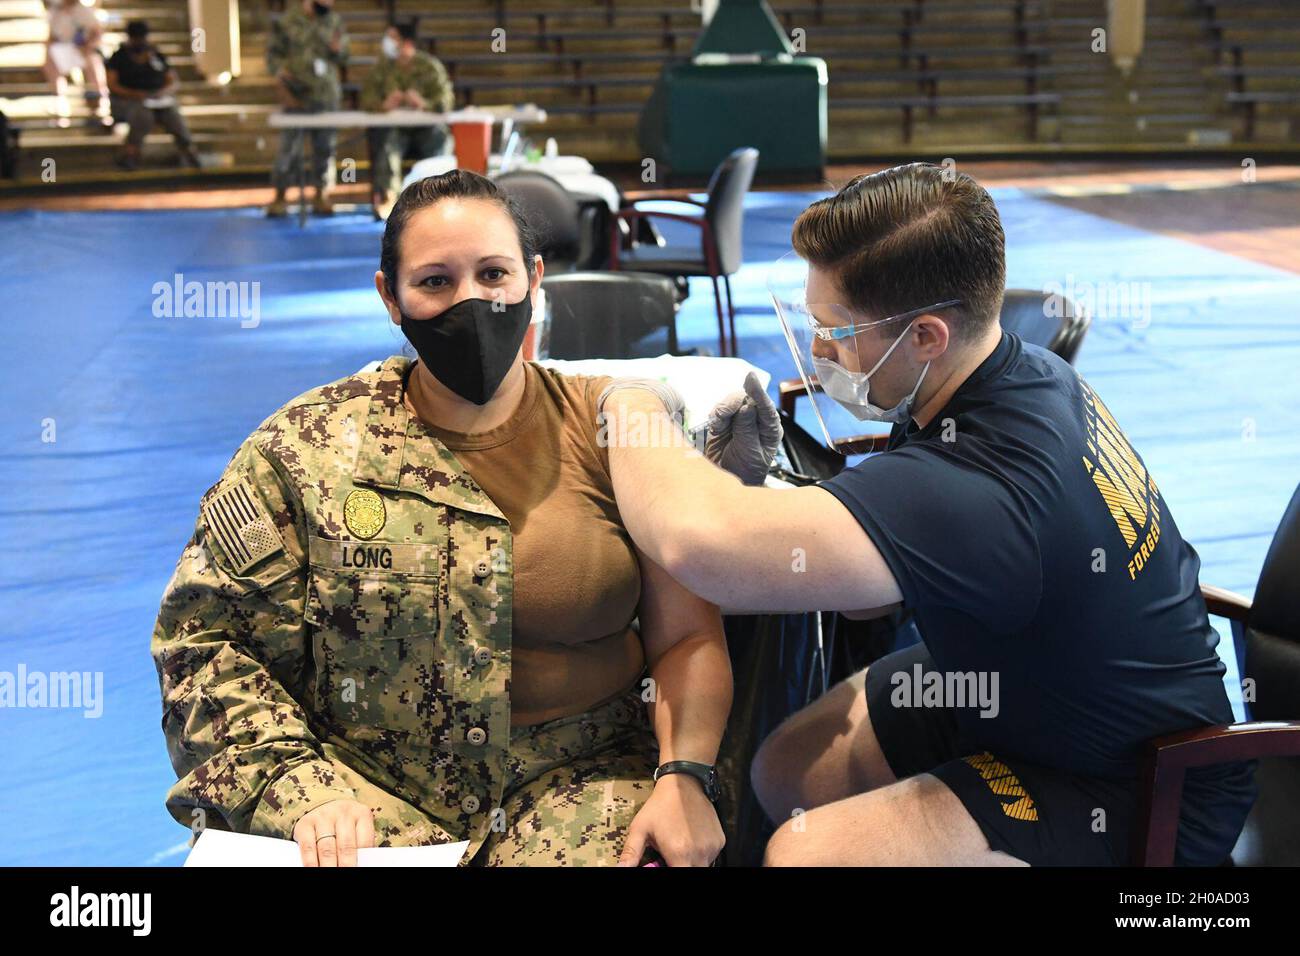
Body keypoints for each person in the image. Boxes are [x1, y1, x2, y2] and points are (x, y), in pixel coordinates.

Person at [598, 161, 1257, 866]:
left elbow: (699, 545)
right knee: (785, 769)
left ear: (926, 338)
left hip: (1132, 786)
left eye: (837, 331)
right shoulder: (1017, 370)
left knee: (804, 854)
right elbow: (866, 598)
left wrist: (627, 403)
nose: (820, 350)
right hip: (1024, 693)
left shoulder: (980, 485)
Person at [151, 170, 732, 867]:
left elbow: (687, 639)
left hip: (581, 788)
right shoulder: (302, 451)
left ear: (533, 279)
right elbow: (207, 644)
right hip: (365, 796)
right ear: (389, 298)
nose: (472, 302)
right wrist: (297, 789)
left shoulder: (613, 435)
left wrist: (685, 778)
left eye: (494, 274)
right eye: (434, 282)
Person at [361, 19, 453, 221]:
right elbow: (366, 99)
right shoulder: (382, 69)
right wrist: (382, 105)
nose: (387, 42)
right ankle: (388, 198)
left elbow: (446, 101)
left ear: (407, 43)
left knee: (441, 139)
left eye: (393, 38)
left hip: (425, 129)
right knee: (386, 143)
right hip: (396, 130)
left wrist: (424, 103)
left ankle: (438, 195)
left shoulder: (429, 67)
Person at [265, 0, 349, 218]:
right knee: (288, 148)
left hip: (326, 94)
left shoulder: (334, 20)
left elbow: (345, 55)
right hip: (296, 94)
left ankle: (321, 195)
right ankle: (280, 196)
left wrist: (339, 50)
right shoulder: (288, 20)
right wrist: (280, 73)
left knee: (325, 147)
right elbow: (273, 54)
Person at [105, 21, 198, 171]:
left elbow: (172, 81)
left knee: (173, 115)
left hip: (158, 98)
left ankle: (188, 151)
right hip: (128, 100)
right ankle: (131, 154)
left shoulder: (156, 55)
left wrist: (161, 93)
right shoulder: (118, 58)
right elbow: (112, 84)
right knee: (142, 115)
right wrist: (135, 94)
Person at [43, 0, 110, 126]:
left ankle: (101, 103)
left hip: (84, 49)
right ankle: (60, 103)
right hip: (63, 48)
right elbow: (52, 36)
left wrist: (88, 46)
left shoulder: (84, 11)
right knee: (50, 61)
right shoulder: (56, 12)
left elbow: (96, 33)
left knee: (93, 62)